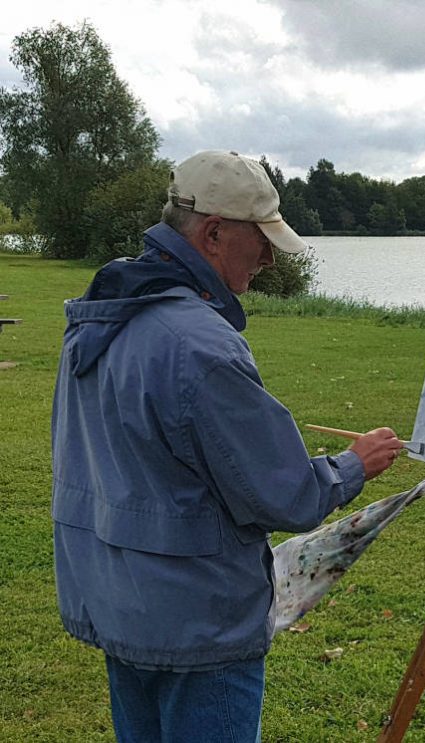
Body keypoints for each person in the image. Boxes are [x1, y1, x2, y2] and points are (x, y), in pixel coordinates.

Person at [51, 150, 403, 742]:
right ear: (214, 234)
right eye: (261, 240)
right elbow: (283, 495)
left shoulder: (100, 315)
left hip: (118, 599)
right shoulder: (198, 344)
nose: (268, 258)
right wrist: (352, 466)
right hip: (197, 623)